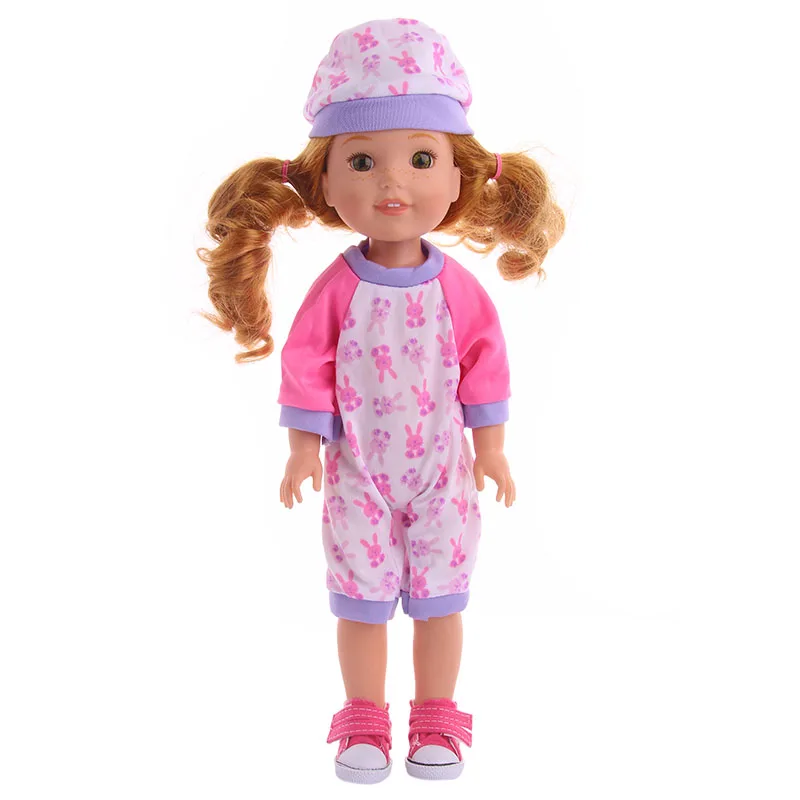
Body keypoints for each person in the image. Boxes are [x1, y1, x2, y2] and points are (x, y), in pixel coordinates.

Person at [198, 17, 565, 783]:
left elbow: (484, 366)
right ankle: (363, 720)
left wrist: (493, 449)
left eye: (420, 159)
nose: (392, 184)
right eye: (362, 161)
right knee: (358, 603)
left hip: (443, 473)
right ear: (326, 184)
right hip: (356, 473)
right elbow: (307, 365)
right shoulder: (338, 289)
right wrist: (302, 449)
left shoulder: (457, 290)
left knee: (442, 599)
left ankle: (437, 719)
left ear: (459, 176)